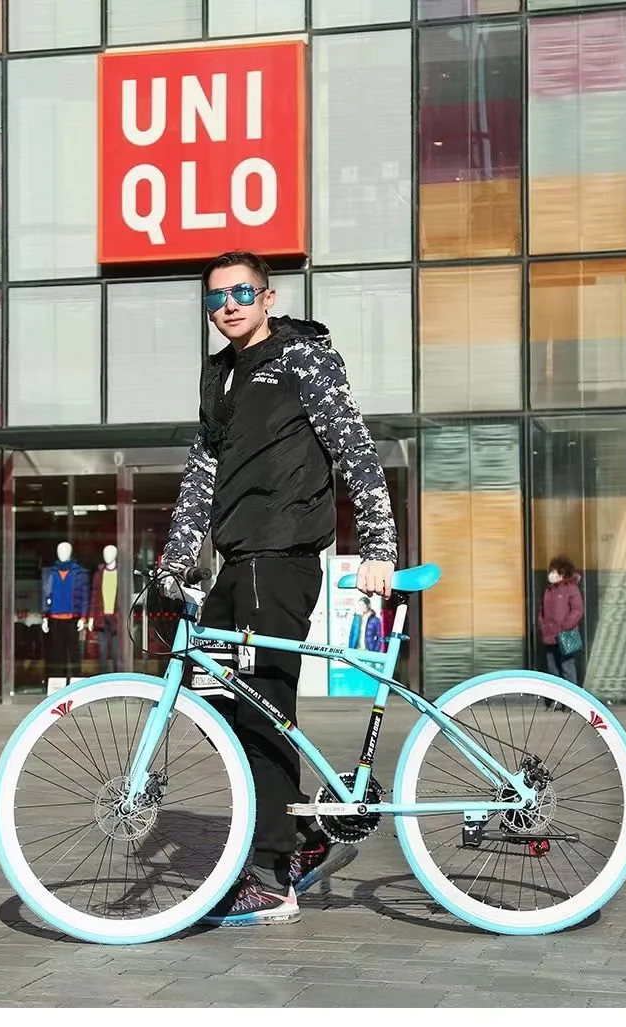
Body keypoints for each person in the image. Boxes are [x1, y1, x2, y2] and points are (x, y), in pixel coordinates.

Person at [160, 250, 397, 927]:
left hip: (283, 556)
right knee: (240, 714)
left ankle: (270, 877)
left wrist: (379, 545)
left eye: (241, 292)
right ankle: (297, 839)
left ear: (268, 296)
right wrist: (175, 563)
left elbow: (354, 447)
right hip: (237, 563)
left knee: (264, 708)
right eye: (216, 298)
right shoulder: (221, 377)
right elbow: (201, 478)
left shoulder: (303, 358)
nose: (228, 305)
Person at [538, 555, 584, 710]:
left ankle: (571, 702)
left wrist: (565, 626)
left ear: (562, 573)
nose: (551, 574)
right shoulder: (548, 590)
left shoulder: (571, 589)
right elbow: (542, 611)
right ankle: (555, 701)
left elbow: (577, 610)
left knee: (567, 668)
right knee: (552, 671)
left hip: (565, 636)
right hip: (549, 637)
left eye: (554, 571)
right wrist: (543, 625)